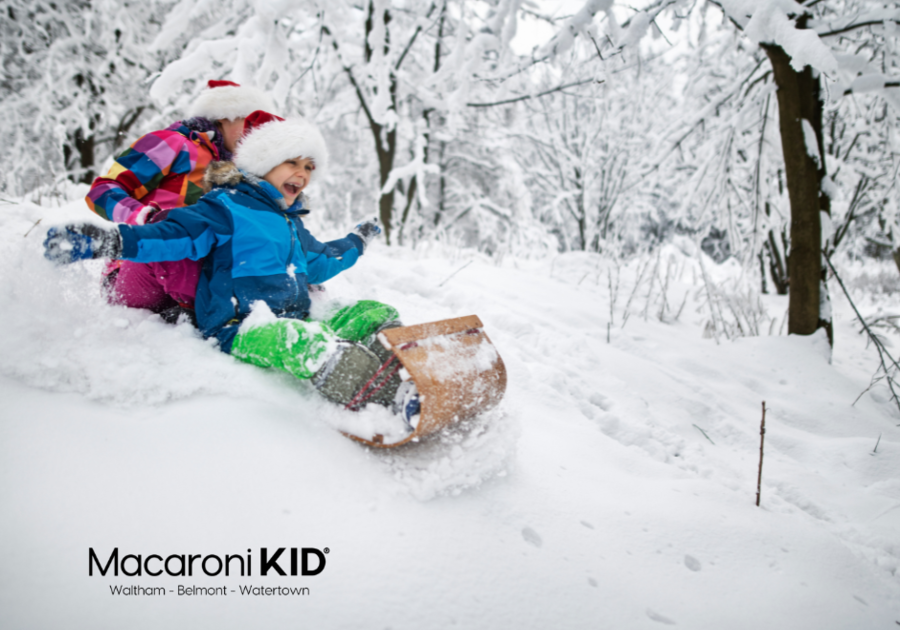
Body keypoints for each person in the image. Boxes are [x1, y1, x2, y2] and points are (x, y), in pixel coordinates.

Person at [45, 112, 416, 418]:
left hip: (295, 316)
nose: (302, 174)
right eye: (292, 161)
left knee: (372, 312)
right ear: (263, 162)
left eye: (309, 166)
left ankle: (416, 374)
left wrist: (358, 240)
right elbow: (169, 235)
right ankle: (385, 404)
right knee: (302, 343)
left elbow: (321, 261)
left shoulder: (290, 224)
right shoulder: (224, 207)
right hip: (240, 327)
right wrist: (109, 241)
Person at [86, 80, 277, 321]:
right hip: (141, 269)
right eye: (248, 124)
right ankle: (219, 317)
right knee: (176, 235)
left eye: (259, 130)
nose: (253, 134)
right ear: (225, 116)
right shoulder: (174, 143)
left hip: (199, 274)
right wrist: (144, 217)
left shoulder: (241, 174)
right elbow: (103, 190)